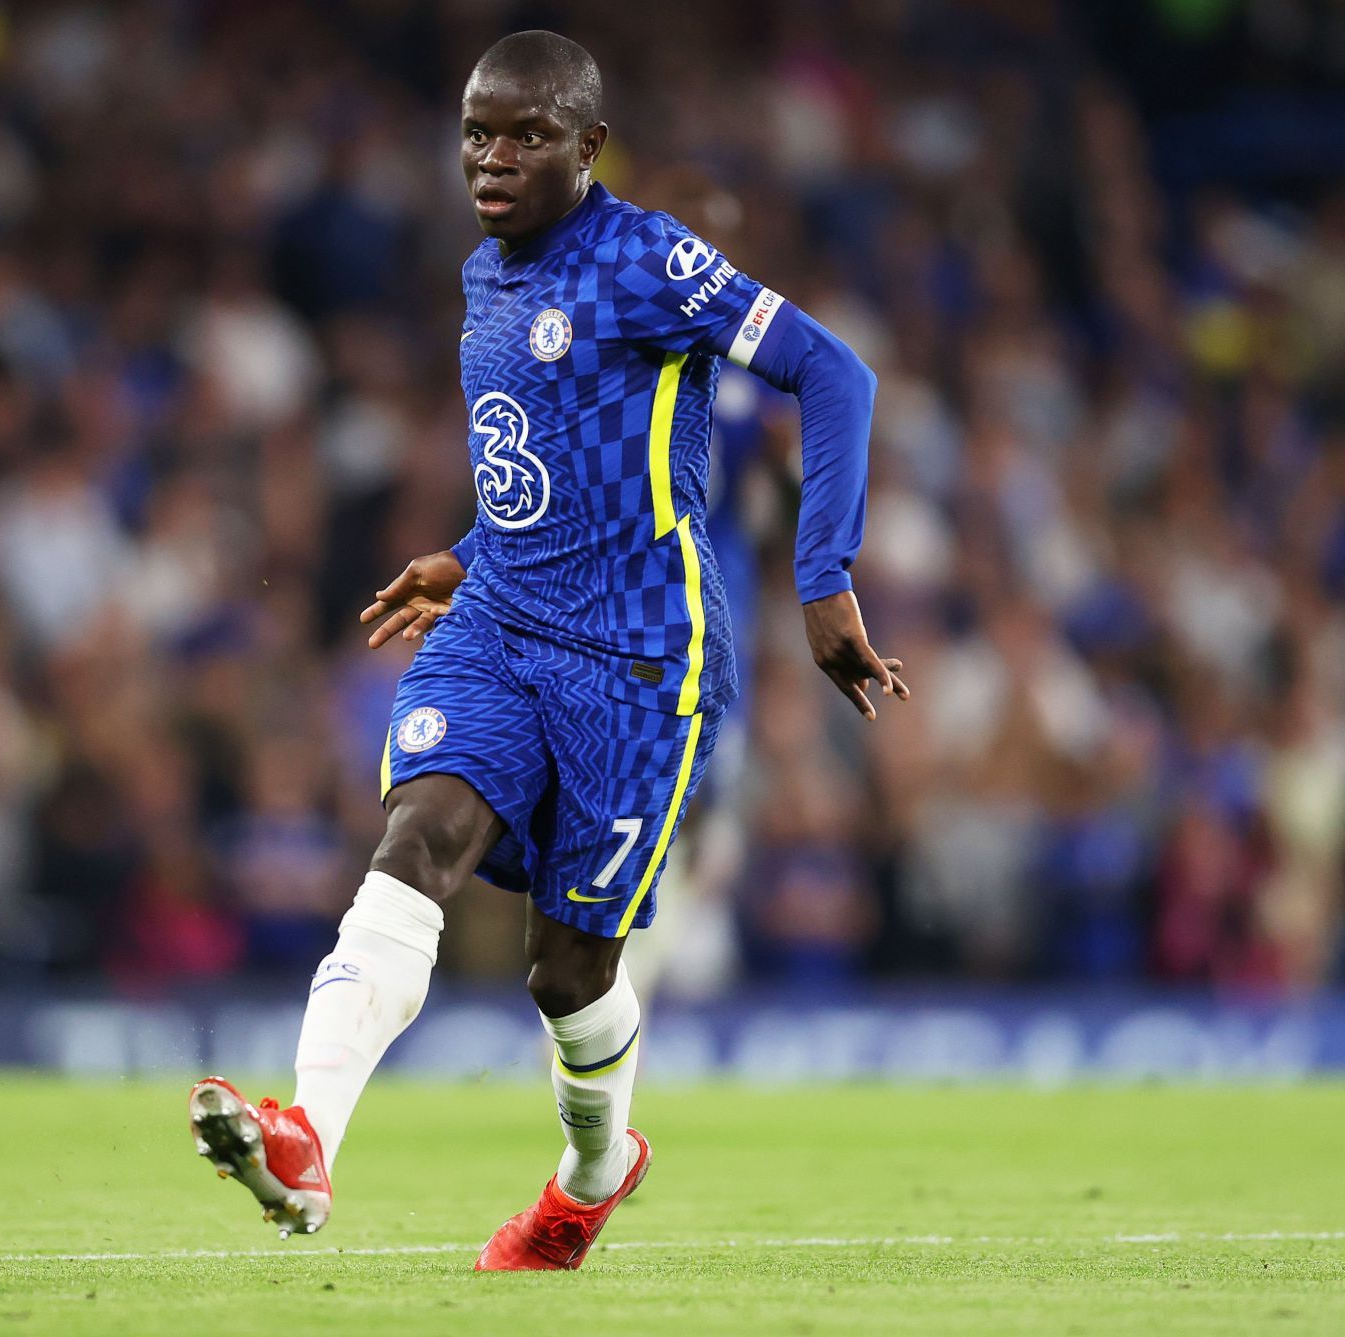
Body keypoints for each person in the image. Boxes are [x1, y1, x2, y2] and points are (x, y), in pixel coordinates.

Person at [188, 30, 909, 1270]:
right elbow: (563, 451)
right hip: (502, 625)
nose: (493, 156)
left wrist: (825, 572)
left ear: (589, 146)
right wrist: (471, 549)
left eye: (527, 134)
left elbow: (832, 372)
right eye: (478, 130)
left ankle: (591, 1173)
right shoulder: (486, 274)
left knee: (567, 974)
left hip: (640, 664)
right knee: (419, 837)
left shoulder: (647, 258)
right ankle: (305, 1136)